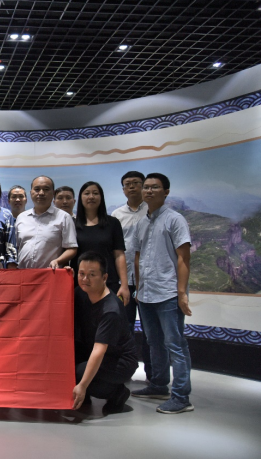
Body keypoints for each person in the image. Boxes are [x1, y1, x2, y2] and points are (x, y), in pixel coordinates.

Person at [131, 173, 194, 414]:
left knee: (175, 344)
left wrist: (181, 293)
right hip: (146, 293)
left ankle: (181, 397)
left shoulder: (175, 220)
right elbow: (137, 257)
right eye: (146, 187)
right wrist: (138, 287)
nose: (148, 191)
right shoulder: (141, 223)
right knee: (154, 342)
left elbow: (183, 258)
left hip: (168, 293)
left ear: (166, 192)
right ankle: (158, 385)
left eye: (154, 187)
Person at [73, 252, 139, 415]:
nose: (85, 279)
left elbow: (99, 351)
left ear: (104, 277)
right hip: (96, 351)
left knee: (79, 373)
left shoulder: (111, 310)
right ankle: (85, 393)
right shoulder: (81, 293)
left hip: (120, 362)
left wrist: (82, 385)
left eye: (92, 275)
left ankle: (117, 393)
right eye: (81, 274)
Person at [112, 171, 151, 380]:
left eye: (136, 183)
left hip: (148, 282)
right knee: (123, 329)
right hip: (123, 282)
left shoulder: (152, 211)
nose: (132, 187)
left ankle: (153, 376)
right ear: (123, 189)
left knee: (150, 330)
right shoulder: (117, 215)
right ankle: (124, 373)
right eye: (128, 184)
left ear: (143, 186)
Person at [70, 181, 130, 304]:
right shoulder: (72, 224)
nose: (91, 196)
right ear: (80, 198)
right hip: (81, 284)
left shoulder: (113, 223)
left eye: (95, 193)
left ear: (101, 197)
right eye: (87, 193)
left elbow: (119, 255)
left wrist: (124, 285)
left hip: (108, 282)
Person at [16, 176, 78, 269]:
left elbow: (71, 248)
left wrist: (58, 261)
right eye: (37, 189)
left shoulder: (64, 217)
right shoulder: (21, 217)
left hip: (49, 274)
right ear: (31, 192)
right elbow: (16, 247)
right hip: (23, 273)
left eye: (46, 189)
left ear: (53, 193)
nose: (41, 193)